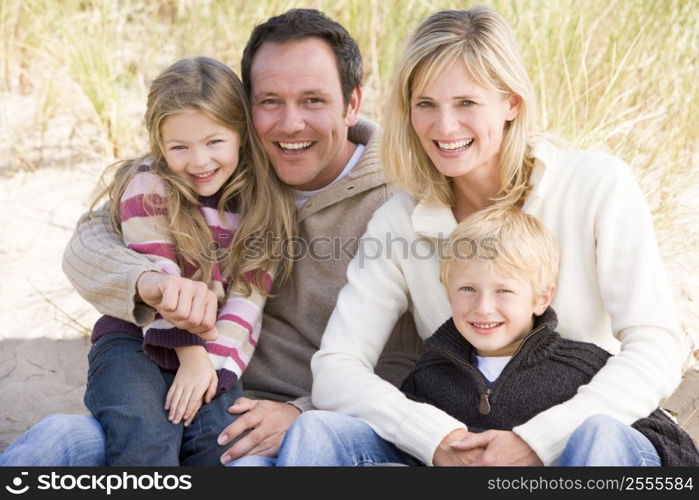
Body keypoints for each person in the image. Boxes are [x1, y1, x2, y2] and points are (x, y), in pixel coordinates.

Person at [0, 9, 421, 466]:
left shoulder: (403, 200)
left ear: (352, 103)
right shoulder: (217, 168)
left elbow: (409, 364)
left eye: (313, 100)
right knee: (54, 443)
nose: (290, 124)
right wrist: (147, 283)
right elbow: (90, 241)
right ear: (244, 111)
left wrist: (302, 412)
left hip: (263, 421)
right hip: (169, 376)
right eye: (270, 101)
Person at [286, 6, 686, 466]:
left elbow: (657, 346)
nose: (444, 127)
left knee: (600, 439)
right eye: (426, 105)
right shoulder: (401, 220)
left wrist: (539, 441)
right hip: (464, 448)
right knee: (317, 432)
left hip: (584, 441)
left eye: (466, 103)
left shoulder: (596, 186)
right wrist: (433, 437)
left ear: (512, 102)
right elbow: (336, 370)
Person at [82, 56, 296, 466]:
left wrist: (210, 369)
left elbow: (247, 301)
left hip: (212, 350)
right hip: (135, 341)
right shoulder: (148, 185)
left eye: (214, 142)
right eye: (180, 147)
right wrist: (190, 357)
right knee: (146, 440)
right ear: (160, 144)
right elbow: (161, 280)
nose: (199, 162)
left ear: (241, 134)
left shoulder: (262, 204)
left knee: (222, 445)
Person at [399, 206, 697, 466]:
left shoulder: (583, 368)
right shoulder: (428, 378)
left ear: (542, 298)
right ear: (447, 291)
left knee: (600, 432)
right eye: (468, 289)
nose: (484, 308)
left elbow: (675, 448)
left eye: (504, 291)